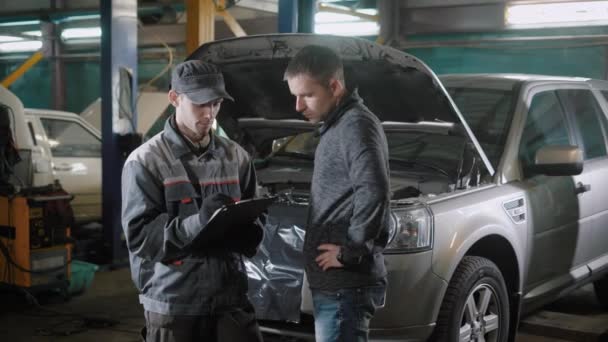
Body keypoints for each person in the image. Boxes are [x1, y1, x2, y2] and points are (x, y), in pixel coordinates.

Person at [121, 60, 264, 342]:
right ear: (175, 98)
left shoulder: (236, 156)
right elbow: (140, 237)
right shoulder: (146, 160)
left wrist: (251, 230)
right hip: (174, 301)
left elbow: (255, 211)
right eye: (200, 104)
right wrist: (198, 223)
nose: (209, 113)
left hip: (229, 296)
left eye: (216, 104)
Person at [284, 45, 391, 342]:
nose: (298, 106)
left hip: (346, 287)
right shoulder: (338, 125)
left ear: (334, 86)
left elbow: (374, 191)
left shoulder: (355, 125)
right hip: (335, 286)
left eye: (306, 95)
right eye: (295, 95)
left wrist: (350, 253)